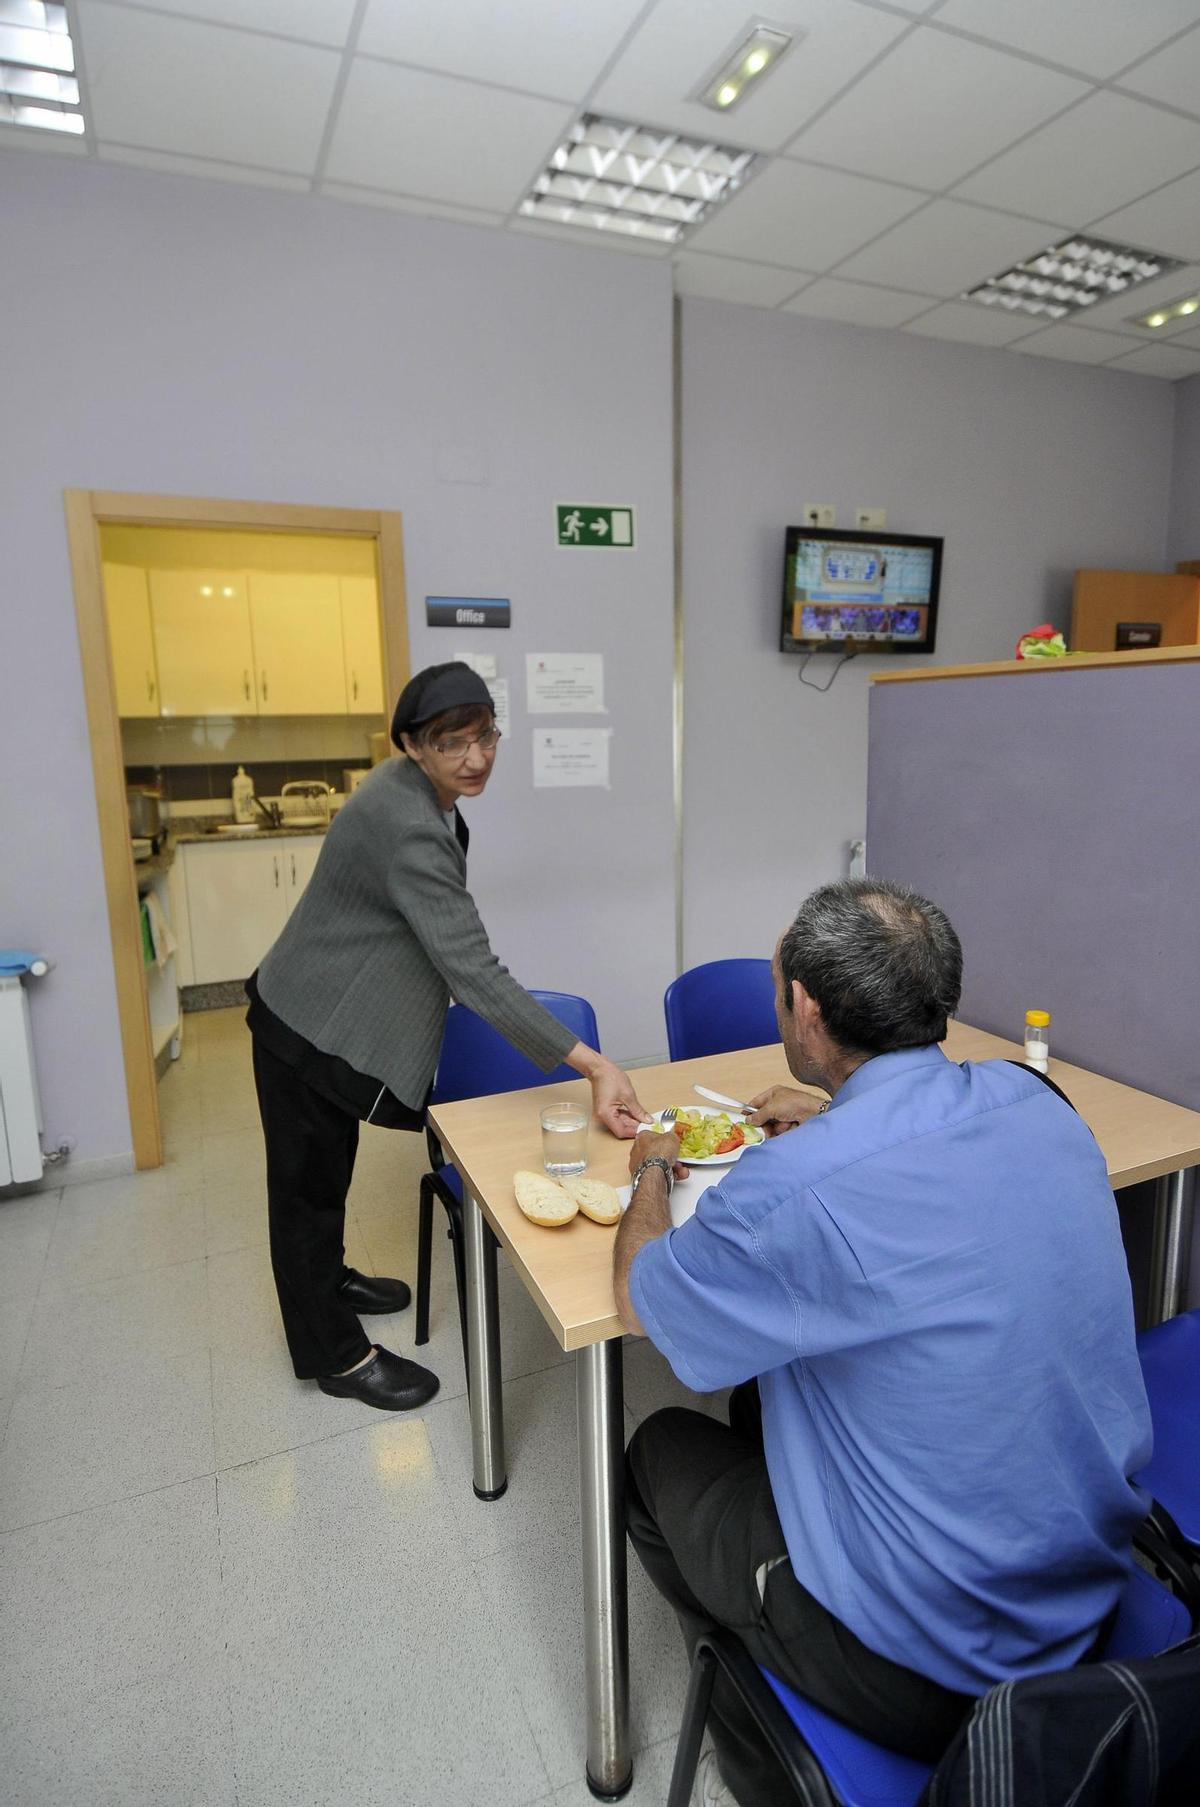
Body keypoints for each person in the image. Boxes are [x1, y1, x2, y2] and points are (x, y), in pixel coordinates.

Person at [613, 878, 1151, 1807]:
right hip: (1089, 1588)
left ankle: (757, 1729)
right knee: (769, 1392)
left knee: (658, 1450)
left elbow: (636, 1295)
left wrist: (653, 1163)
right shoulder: (1038, 1102)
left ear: (807, 1011)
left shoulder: (790, 1190)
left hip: (933, 1670)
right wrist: (839, 1117)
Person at [248, 660, 646, 1412]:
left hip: (332, 1009)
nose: (476, 757)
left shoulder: (424, 794)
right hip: (304, 1020)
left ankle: (328, 1283)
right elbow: (474, 969)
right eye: (453, 742)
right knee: (304, 1189)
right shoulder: (405, 822)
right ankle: (335, 1351)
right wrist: (592, 1063)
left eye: (486, 735)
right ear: (411, 744)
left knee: (326, 1173)